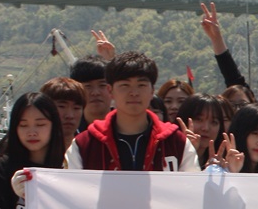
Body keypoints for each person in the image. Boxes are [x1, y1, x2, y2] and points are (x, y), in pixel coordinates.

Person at [65, 51, 200, 172]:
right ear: (110, 90)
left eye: (141, 85)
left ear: (152, 91)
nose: (134, 93)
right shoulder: (85, 144)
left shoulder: (176, 142)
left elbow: (191, 190)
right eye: (125, 85)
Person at [39, 77, 87, 151]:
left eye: (76, 108)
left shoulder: (89, 150)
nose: (70, 115)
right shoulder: (34, 153)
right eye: (62, 106)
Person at [69, 54, 111, 130]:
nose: (96, 92)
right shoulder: (69, 131)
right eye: (88, 86)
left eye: (102, 85)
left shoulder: (130, 126)